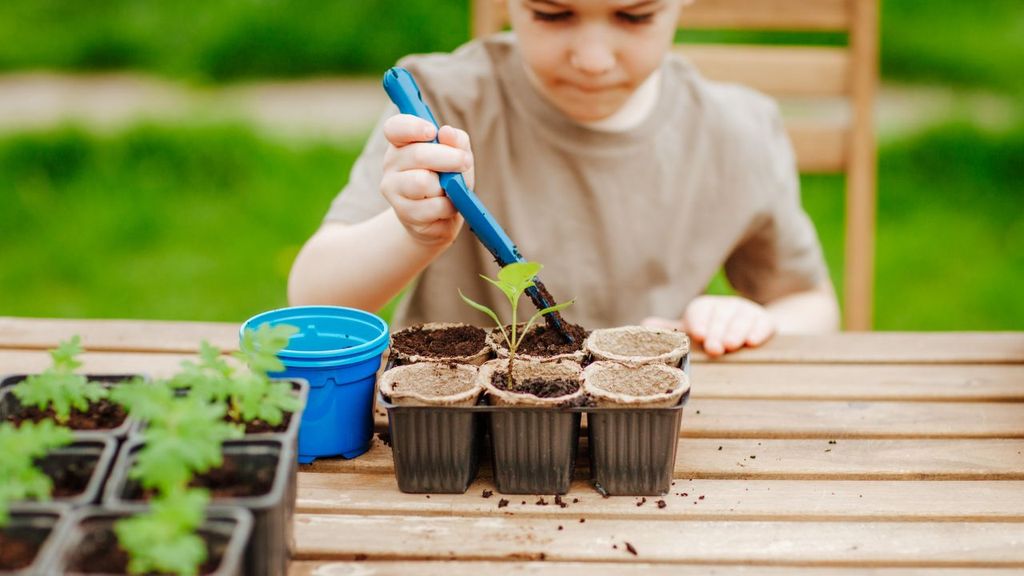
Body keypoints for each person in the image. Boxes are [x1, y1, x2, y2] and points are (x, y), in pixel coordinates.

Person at [288, 0, 839, 357]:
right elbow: (311, 301)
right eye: (552, 14)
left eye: (635, 16)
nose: (593, 60)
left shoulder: (736, 131)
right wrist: (409, 232)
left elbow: (814, 306)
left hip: (651, 448)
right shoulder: (443, 107)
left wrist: (753, 322)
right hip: (465, 443)